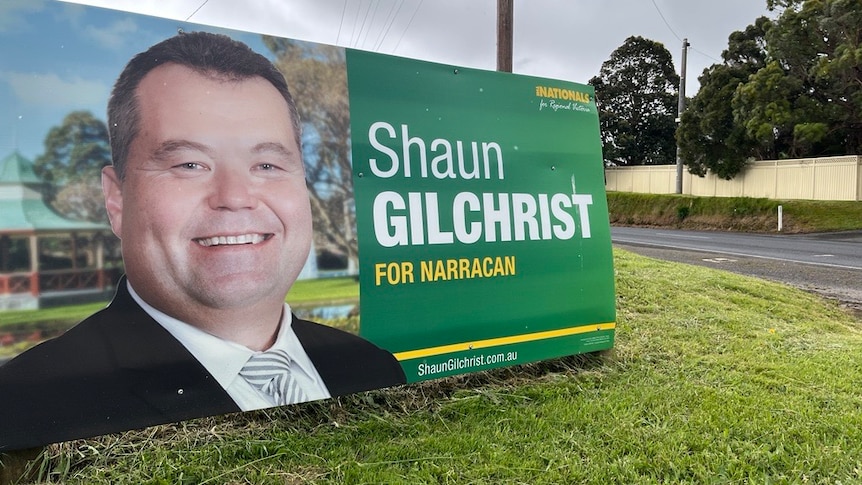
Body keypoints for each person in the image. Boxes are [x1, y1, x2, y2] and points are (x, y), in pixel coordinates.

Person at [0, 32, 405, 452]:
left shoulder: (372, 367)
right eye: (189, 164)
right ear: (117, 198)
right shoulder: (26, 408)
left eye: (266, 163)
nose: (234, 197)